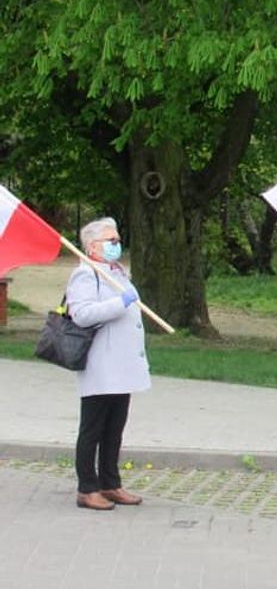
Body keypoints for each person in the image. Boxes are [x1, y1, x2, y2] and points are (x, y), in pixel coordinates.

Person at [65, 217, 150, 510]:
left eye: (117, 240)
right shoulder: (86, 275)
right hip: (101, 364)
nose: (116, 245)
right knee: (93, 428)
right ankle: (87, 488)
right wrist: (120, 303)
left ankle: (110, 483)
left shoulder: (117, 271)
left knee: (115, 427)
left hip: (122, 364)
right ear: (91, 247)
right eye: (110, 241)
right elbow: (82, 313)